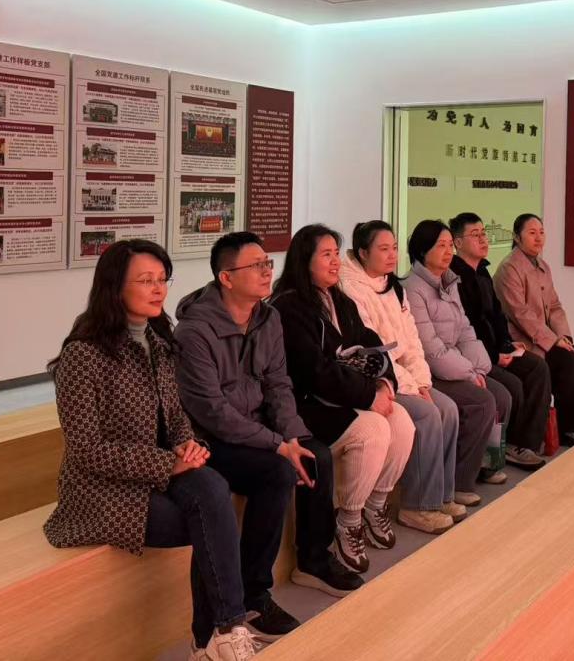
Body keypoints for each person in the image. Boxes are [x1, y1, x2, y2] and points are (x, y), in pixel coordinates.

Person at [45, 240, 262, 661]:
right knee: (209, 521)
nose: (158, 289)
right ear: (114, 287)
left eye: (163, 279)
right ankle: (215, 637)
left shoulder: (159, 341)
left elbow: (175, 414)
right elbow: (86, 450)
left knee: (214, 490)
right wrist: (168, 462)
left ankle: (224, 632)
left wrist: (188, 445)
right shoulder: (82, 356)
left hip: (160, 473)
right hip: (103, 490)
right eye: (146, 280)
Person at [173, 232, 363, 617]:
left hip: (258, 427)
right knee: (277, 472)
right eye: (256, 265)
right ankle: (253, 594)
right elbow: (213, 411)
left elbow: (278, 384)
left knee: (314, 455)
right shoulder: (194, 331)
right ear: (226, 278)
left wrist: (293, 434)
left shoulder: (268, 317)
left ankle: (313, 560)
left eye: (267, 263)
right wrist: (276, 444)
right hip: (210, 439)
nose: (266, 272)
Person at [272, 225, 416, 576]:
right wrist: (369, 397)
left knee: (402, 421)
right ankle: (348, 519)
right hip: (308, 406)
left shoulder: (339, 299)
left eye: (337, 253)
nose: (336, 261)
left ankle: (375, 503)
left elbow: (373, 343)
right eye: (326, 255)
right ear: (304, 260)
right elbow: (314, 372)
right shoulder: (289, 307)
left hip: (344, 397)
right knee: (373, 429)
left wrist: (384, 384)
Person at [340, 221, 462, 533]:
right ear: (363, 253)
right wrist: (409, 386)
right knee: (427, 414)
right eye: (383, 249)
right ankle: (417, 506)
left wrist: (422, 382)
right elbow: (377, 351)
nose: (392, 255)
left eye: (394, 247)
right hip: (379, 379)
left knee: (448, 408)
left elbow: (411, 341)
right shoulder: (350, 289)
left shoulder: (393, 286)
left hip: (406, 375)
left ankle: (441, 496)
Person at [404, 219, 511, 503]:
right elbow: (431, 349)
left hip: (456, 364)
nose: (448, 251)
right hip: (430, 371)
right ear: (422, 250)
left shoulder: (449, 281)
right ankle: (461, 482)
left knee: (501, 395)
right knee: (482, 401)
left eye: (450, 245)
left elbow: (465, 329)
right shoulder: (413, 288)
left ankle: (485, 464)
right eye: (441, 245)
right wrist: (468, 373)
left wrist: (478, 368)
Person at [449, 212, 550, 470]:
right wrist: (495, 355)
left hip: (497, 350)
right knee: (513, 385)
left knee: (538, 367)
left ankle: (525, 443)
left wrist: (507, 343)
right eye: (476, 235)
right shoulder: (454, 278)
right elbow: (468, 328)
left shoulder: (483, 272)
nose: (484, 239)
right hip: (477, 356)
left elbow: (497, 315)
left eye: (484, 233)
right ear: (457, 243)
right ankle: (506, 447)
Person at [494, 214, 574, 446]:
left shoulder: (543, 266)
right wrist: (552, 341)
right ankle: (568, 427)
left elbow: (555, 306)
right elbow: (520, 314)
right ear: (516, 237)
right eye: (532, 233)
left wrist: (563, 337)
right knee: (567, 361)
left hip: (545, 337)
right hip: (523, 340)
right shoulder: (509, 268)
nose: (538, 238)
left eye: (541, 232)